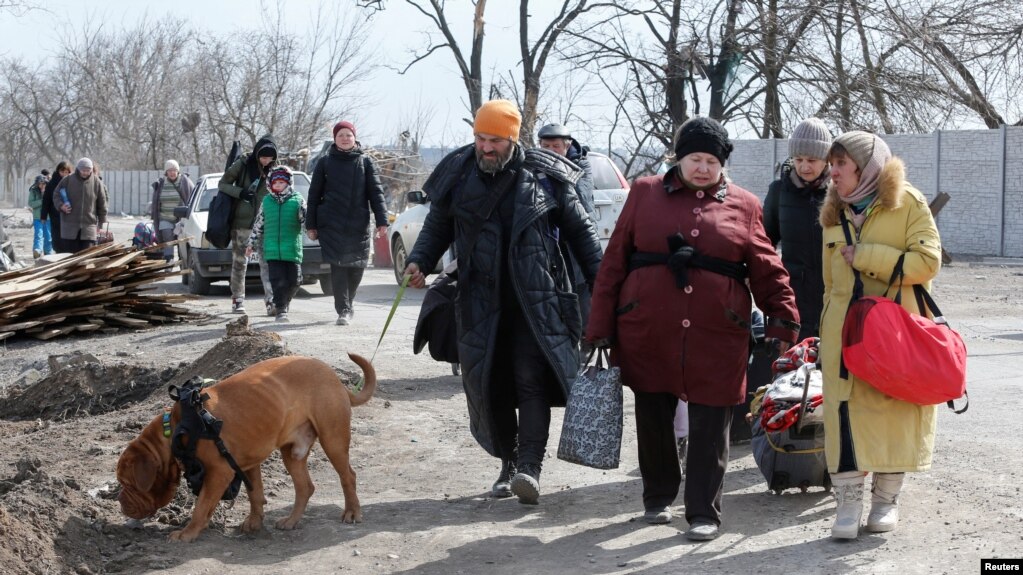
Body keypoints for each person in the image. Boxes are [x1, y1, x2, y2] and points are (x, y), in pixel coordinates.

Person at [585, 117, 799, 541]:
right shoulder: (644, 193)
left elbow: (766, 267)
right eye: (695, 159)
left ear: (723, 165)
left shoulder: (745, 204)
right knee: (653, 413)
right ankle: (659, 495)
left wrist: (782, 320)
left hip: (718, 330)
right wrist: (599, 326)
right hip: (648, 326)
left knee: (711, 422)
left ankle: (703, 511)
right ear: (678, 158)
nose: (703, 168)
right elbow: (613, 264)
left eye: (711, 161)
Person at [403, 100, 602, 505]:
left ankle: (530, 467)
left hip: (536, 301)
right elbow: (437, 225)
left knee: (530, 381)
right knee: (489, 386)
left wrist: (605, 290)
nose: (486, 147)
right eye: (480, 138)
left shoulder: (545, 176)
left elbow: (584, 237)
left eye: (495, 139)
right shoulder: (459, 174)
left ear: (513, 138)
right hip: (478, 301)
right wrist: (419, 260)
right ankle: (508, 466)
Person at [818, 131, 941, 539]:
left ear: (865, 167)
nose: (831, 172)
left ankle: (886, 502)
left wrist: (867, 257)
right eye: (831, 164)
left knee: (893, 414)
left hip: (894, 334)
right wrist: (822, 334)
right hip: (843, 334)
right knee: (844, 417)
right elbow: (828, 283)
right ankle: (848, 506)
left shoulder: (908, 203)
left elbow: (927, 262)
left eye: (840, 164)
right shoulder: (833, 212)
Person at [306, 121, 388, 326]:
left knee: (357, 267)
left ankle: (348, 303)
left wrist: (382, 221)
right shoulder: (325, 163)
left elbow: (376, 193)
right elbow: (314, 195)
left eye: (348, 135)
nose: (345, 138)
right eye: (341, 135)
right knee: (338, 267)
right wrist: (311, 225)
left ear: (354, 138)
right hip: (331, 224)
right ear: (335, 139)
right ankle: (343, 309)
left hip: (358, 223)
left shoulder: (365, 162)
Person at [764, 117, 833, 341]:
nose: (804, 166)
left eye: (812, 160)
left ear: (826, 160)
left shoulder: (840, 195)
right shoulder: (778, 192)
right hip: (792, 296)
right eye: (798, 159)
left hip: (833, 295)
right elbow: (765, 243)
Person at [537, 123, 596, 348]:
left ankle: (588, 346)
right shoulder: (535, 167)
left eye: (556, 146)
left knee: (581, 296)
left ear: (567, 145)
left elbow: (577, 199)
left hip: (577, 241)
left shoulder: (581, 166)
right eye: (546, 146)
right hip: (550, 243)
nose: (551, 151)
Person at [218, 134, 278, 314]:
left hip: (267, 223)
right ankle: (237, 299)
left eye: (270, 158)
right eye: (263, 157)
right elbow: (223, 184)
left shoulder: (277, 169)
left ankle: (271, 301)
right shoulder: (243, 164)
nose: (266, 161)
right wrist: (241, 193)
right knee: (239, 262)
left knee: (267, 262)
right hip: (242, 222)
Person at [246, 166, 306, 323]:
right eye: (275, 182)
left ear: (288, 183)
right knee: (277, 281)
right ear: (270, 184)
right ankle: (281, 309)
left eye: (282, 182)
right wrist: (250, 243)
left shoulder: (298, 199)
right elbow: (258, 224)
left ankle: (285, 302)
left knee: (295, 281)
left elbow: (305, 221)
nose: (278, 185)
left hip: (292, 249)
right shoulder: (266, 201)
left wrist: (313, 230)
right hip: (272, 250)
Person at [53, 158, 108, 254]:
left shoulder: (97, 182)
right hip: (69, 228)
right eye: (83, 170)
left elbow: (102, 203)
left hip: (89, 228)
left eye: (88, 170)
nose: (85, 173)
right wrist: (61, 206)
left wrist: (101, 222)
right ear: (78, 169)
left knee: (86, 258)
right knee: (70, 258)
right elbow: (56, 195)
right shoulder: (68, 180)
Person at [150, 159, 194, 262]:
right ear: (166, 172)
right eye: (169, 170)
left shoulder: (185, 182)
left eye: (174, 170)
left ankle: (182, 260)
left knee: (181, 240)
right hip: (165, 217)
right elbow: (155, 201)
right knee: (167, 237)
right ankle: (169, 260)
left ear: (178, 171)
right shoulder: (161, 184)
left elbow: (192, 197)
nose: (172, 173)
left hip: (181, 219)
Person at [41, 161, 72, 254]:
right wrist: (43, 216)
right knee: (57, 234)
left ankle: (67, 251)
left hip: (70, 213)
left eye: (67, 172)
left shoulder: (73, 182)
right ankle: (58, 251)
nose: (64, 174)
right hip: (55, 213)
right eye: (62, 172)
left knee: (69, 235)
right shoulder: (52, 183)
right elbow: (46, 200)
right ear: (58, 171)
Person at [28, 174, 52, 258]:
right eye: (40, 184)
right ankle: (37, 251)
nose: (42, 186)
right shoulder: (33, 191)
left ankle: (48, 253)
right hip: (37, 218)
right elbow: (31, 203)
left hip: (48, 218)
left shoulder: (50, 190)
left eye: (43, 184)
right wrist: (42, 201)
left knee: (48, 236)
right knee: (38, 235)